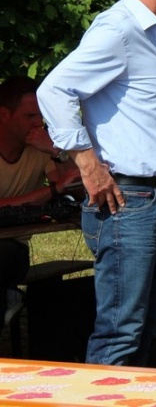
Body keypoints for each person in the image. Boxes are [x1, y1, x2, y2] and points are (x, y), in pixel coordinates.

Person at [37, 0, 156, 366]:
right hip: (127, 200)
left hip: (153, 198)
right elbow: (54, 90)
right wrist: (87, 163)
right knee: (121, 333)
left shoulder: (155, 32)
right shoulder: (119, 29)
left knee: (146, 328)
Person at [0, 76, 80, 330]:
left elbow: (76, 189)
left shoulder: (39, 147)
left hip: (12, 250)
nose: (39, 124)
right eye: (30, 116)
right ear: (4, 115)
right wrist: (52, 190)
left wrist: (57, 152)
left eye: (41, 116)